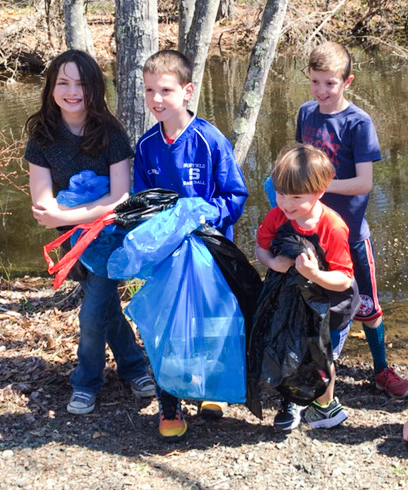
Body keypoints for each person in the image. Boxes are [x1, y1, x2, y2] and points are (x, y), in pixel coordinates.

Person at [24, 50, 154, 415]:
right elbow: (42, 206)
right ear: (51, 87)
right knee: (107, 308)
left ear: (95, 88)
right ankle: (134, 367)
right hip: (71, 244)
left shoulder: (110, 132)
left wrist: (69, 214)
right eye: (63, 82)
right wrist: (73, 217)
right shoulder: (43, 136)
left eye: (81, 83)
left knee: (92, 311)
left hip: (110, 239)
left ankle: (86, 382)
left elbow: (121, 198)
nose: (72, 91)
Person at [134, 49, 249, 441]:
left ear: (187, 91)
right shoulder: (147, 145)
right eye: (149, 90)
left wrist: (203, 215)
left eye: (165, 90)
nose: (156, 100)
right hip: (167, 255)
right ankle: (170, 400)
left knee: (212, 320)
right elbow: (141, 200)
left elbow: (236, 197)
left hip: (210, 252)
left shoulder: (210, 140)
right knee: (168, 324)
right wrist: (157, 227)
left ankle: (210, 388)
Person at [296, 41, 408, 399]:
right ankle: (314, 365)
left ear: (348, 81)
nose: (321, 91)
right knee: (313, 297)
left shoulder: (359, 123)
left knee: (368, 305)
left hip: (351, 232)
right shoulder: (305, 113)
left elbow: (364, 182)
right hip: (313, 230)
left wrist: (317, 186)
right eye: (315, 82)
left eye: (330, 83)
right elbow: (300, 160)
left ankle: (381, 369)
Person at [256, 143, 358, 430]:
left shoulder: (332, 227)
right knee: (293, 349)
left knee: (323, 357)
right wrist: (272, 263)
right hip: (295, 302)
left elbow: (343, 279)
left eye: (297, 197)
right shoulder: (278, 216)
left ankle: (325, 407)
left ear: (319, 192)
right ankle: (292, 399)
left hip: (333, 305)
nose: (287, 203)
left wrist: (314, 273)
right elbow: (262, 247)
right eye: (281, 194)